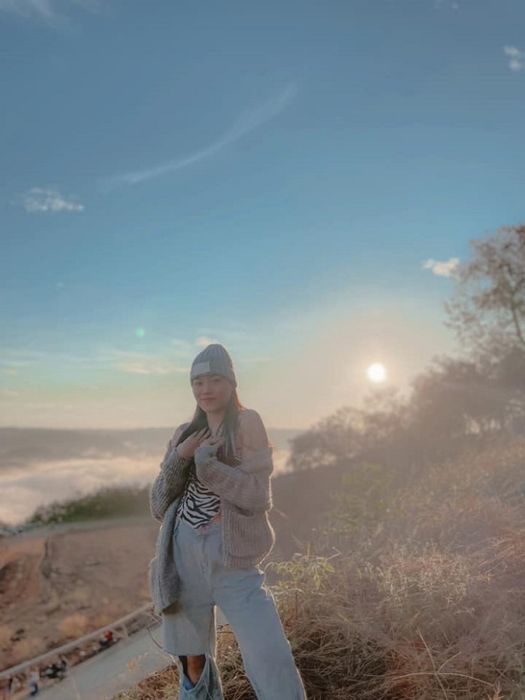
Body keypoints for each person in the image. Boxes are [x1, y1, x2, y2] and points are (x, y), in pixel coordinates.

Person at [149, 343, 307, 699]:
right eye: (197, 382)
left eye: (215, 380)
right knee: (193, 665)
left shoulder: (247, 423)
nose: (205, 389)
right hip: (181, 563)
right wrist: (181, 456)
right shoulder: (184, 433)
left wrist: (208, 467)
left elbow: (257, 496)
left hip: (233, 562)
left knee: (269, 654)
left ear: (231, 383)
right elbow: (159, 504)